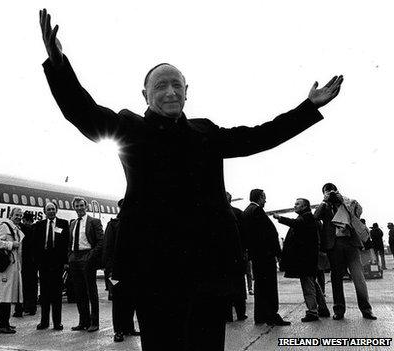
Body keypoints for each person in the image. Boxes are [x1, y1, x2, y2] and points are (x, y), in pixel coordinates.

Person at [39, 8, 343, 349]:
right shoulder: (131, 129)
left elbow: (259, 137)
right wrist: (59, 65)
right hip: (153, 271)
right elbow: (83, 111)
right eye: (161, 86)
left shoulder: (205, 133)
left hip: (209, 270)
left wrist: (307, 107)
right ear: (145, 95)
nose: (170, 92)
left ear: (187, 91)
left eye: (176, 85)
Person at [314, 183, 376, 320]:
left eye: (332, 190)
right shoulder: (324, 206)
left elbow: (359, 212)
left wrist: (342, 200)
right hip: (334, 245)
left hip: (351, 243)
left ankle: (366, 309)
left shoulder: (348, 203)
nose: (330, 193)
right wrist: (324, 201)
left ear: (337, 191)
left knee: (358, 277)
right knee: (336, 279)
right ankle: (339, 310)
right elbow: (315, 218)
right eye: (327, 191)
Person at [274, 198, 330, 322]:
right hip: (308, 259)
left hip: (305, 260)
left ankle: (312, 312)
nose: (295, 206)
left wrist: (280, 218)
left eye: (298, 204)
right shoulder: (307, 217)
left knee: (308, 286)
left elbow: (295, 224)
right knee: (313, 284)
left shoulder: (306, 218)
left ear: (305, 206)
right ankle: (323, 309)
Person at [244, 190, 290, 326]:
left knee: (260, 286)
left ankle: (260, 316)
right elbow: (269, 234)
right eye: (264, 198)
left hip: (256, 256)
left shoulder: (247, 211)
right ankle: (272, 315)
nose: (265, 201)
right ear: (260, 197)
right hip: (265, 256)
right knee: (269, 287)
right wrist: (278, 254)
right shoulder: (257, 211)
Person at [104, 199, 139, 342]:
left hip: (132, 270)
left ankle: (129, 328)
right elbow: (107, 249)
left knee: (131, 300)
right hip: (116, 271)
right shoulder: (113, 225)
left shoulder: (136, 225)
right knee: (118, 301)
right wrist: (109, 271)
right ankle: (118, 331)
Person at [68, 196, 104, 332]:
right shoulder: (72, 223)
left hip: (87, 257)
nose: (79, 208)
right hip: (74, 258)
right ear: (74, 208)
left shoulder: (94, 221)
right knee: (79, 292)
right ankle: (83, 321)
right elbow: (70, 242)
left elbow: (101, 242)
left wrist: (90, 256)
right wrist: (70, 256)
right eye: (77, 206)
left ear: (86, 206)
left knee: (91, 292)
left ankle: (94, 322)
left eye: (81, 206)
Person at [34, 202, 70, 331]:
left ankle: (57, 322)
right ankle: (44, 322)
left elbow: (67, 244)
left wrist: (66, 262)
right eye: (48, 209)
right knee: (44, 294)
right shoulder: (39, 225)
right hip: (43, 264)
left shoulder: (63, 224)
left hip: (58, 263)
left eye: (53, 209)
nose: (51, 211)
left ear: (56, 210)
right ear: (44, 211)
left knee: (57, 295)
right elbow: (35, 245)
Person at [0, 207, 24, 334]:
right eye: (16, 215)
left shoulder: (15, 228)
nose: (19, 217)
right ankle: (0, 325)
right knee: (2, 297)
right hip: (4, 267)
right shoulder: (4, 227)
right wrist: (11, 245)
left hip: (12, 267)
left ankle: (6, 322)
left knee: (8, 296)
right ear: (11, 215)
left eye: (20, 215)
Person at [225, 192, 248, 323]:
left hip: (223, 258)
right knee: (239, 286)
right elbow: (245, 235)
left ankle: (227, 315)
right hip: (237, 255)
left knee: (226, 287)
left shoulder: (216, 214)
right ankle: (241, 313)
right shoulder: (238, 213)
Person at [14, 211, 38, 317]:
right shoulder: (35, 228)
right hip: (33, 262)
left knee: (23, 285)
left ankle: (23, 308)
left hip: (25, 262)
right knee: (32, 286)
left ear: (26, 220)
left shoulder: (26, 229)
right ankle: (31, 307)